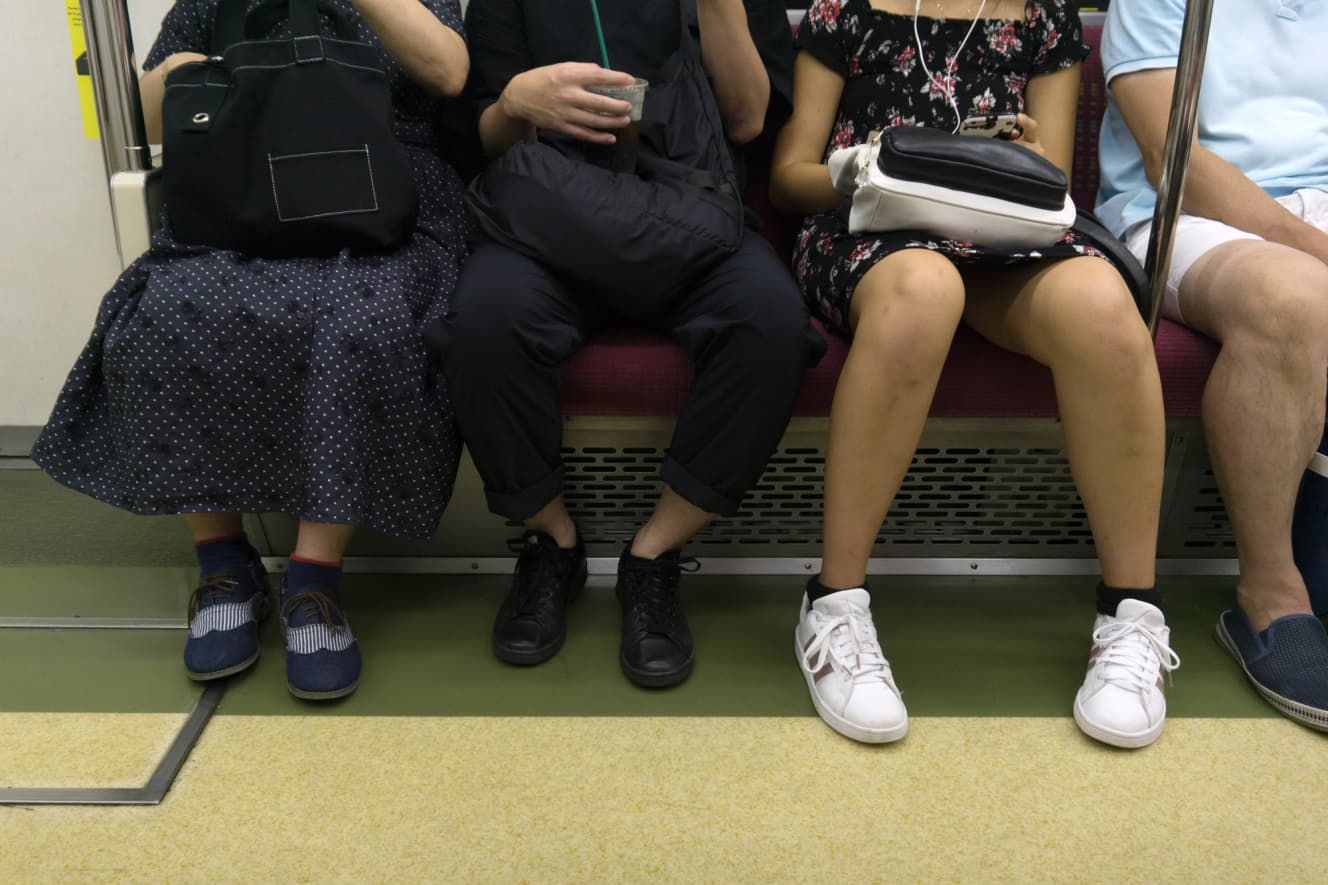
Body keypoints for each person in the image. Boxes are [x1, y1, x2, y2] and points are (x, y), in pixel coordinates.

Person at [32, 0, 472, 701]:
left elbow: (449, 74)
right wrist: (177, 74)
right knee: (169, 312)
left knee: (360, 321)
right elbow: (146, 120)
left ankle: (313, 577)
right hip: (244, 191)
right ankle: (222, 562)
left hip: (385, 198)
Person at [771, 0, 1177, 746]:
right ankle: (834, 602)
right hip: (872, 228)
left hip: (1005, 236)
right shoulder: (844, 9)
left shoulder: (1042, 15)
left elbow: (1053, 183)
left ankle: (1131, 613)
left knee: (1104, 309)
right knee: (927, 289)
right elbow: (788, 176)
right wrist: (862, 166)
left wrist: (1020, 155)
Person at [434, 0, 825, 688]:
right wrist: (521, 101)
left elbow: (748, 121)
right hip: (550, 220)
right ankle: (551, 539)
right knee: (481, 320)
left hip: (695, 217)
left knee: (770, 323)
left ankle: (653, 554)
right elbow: (488, 137)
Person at [1098, 0, 1328, 730]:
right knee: (1296, 300)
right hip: (1185, 217)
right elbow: (1175, 161)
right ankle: (1272, 593)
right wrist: (1313, 246)